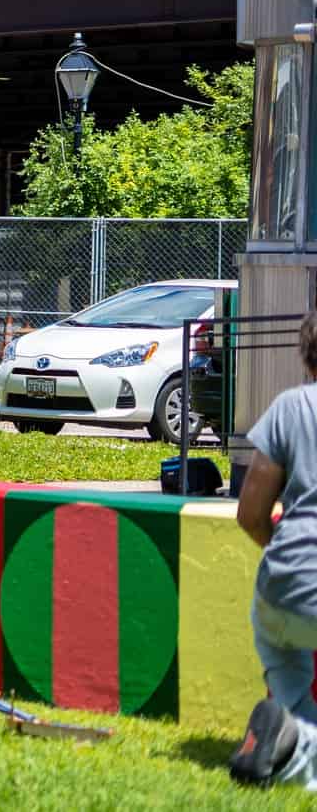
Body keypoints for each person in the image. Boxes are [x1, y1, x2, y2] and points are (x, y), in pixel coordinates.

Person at [231, 311, 317, 788]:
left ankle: (287, 744)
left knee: (285, 671)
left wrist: (289, 556)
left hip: (284, 585)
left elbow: (250, 513)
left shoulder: (289, 407)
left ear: (307, 359)